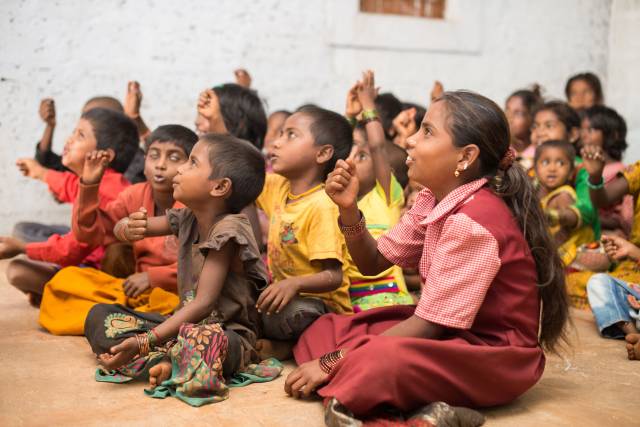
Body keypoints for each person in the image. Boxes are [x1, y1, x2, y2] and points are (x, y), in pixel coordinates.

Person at [285, 91, 568, 422]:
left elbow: (428, 327)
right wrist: (348, 209)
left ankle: (402, 408)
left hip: (490, 356)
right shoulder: (432, 200)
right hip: (446, 334)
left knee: (375, 361)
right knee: (325, 330)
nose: (410, 140)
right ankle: (429, 409)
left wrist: (331, 362)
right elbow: (373, 263)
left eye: (427, 132)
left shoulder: (475, 221)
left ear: (465, 157)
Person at [83, 134, 282, 406]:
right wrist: (128, 227)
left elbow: (203, 303)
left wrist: (144, 342)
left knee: (201, 338)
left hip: (226, 334)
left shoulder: (230, 231)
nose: (180, 169)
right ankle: (170, 358)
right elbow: (124, 228)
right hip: (182, 326)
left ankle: (166, 358)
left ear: (220, 187)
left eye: (192, 163)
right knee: (101, 315)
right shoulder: (187, 216)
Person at [37, 125, 198, 335]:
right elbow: (90, 233)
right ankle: (132, 322)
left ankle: (141, 325)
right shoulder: (134, 195)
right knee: (65, 280)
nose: (160, 165)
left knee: (181, 309)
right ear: (145, 161)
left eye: (174, 158)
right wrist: (89, 185)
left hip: (177, 295)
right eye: (154, 156)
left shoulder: (195, 204)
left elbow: (202, 263)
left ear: (191, 165)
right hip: (135, 292)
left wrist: (153, 277)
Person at [2, 108, 137, 306]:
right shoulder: (102, 180)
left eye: (80, 135)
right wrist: (39, 172)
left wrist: (22, 248)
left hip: (99, 274)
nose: (69, 139)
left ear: (104, 156)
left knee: (17, 270)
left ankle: (68, 297)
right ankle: (56, 293)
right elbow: (67, 184)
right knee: (24, 231)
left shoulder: (109, 191)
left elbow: (70, 250)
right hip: (82, 258)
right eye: (74, 132)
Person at [254, 106, 353, 358]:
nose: (276, 143)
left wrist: (294, 284)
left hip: (319, 306)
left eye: (290, 135)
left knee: (296, 314)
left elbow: (334, 276)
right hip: (285, 298)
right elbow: (240, 171)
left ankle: (288, 347)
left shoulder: (323, 205)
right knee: (245, 304)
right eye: (278, 134)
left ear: (322, 153)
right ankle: (289, 344)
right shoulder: (278, 187)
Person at [344, 70, 414, 311]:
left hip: (391, 305)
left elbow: (377, 147)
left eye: (361, 156)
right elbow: (341, 148)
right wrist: (350, 118)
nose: (351, 159)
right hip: (350, 306)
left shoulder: (385, 196)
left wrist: (368, 106)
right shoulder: (341, 201)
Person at [534, 140, 593, 266]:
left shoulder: (563, 195)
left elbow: (564, 233)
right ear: (535, 169)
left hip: (567, 252)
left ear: (571, 173)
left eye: (561, 163)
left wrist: (548, 254)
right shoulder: (538, 193)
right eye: (545, 162)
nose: (552, 168)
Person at [504, 85, 543, 170]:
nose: (509, 117)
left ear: (533, 119)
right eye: (507, 110)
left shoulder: (540, 153)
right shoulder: (503, 151)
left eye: (518, 113)